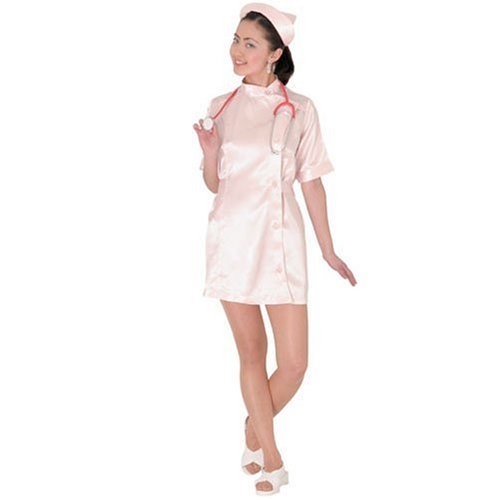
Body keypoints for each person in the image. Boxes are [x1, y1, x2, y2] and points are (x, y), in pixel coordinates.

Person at [193, 2, 357, 495]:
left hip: (282, 242)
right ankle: (272, 455)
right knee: (251, 353)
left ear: (274, 54)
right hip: (231, 239)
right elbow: (214, 184)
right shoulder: (221, 106)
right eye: (235, 39)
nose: (236, 50)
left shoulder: (301, 108)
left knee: (294, 364)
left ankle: (252, 431)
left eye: (249, 43)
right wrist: (211, 154)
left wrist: (328, 250)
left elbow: (312, 183)